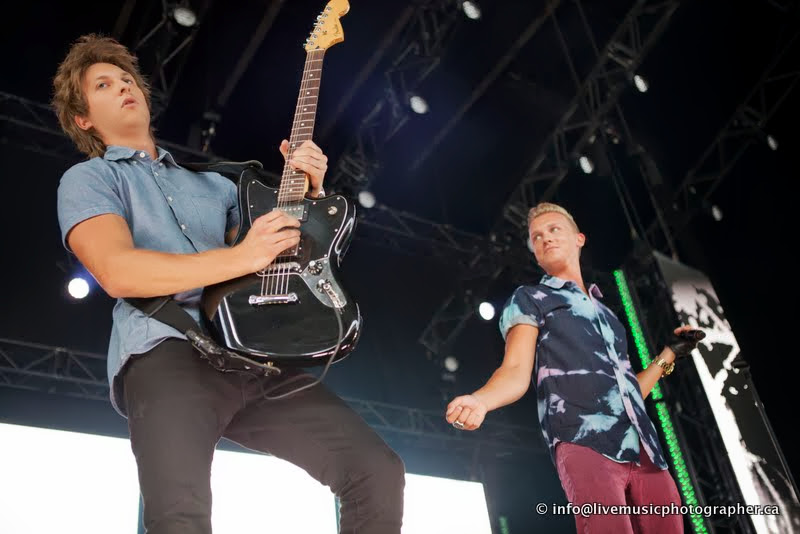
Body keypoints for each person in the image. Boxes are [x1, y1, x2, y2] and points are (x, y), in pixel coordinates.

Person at [53, 34, 404, 534]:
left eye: (127, 79)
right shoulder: (89, 180)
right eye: (104, 85)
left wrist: (311, 192)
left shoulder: (219, 184)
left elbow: (283, 252)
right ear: (83, 119)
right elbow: (117, 271)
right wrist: (241, 254)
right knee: (180, 519)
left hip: (250, 353)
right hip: (165, 353)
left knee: (376, 470)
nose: (124, 87)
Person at [445, 202, 695, 533]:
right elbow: (516, 370)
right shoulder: (531, 298)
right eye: (536, 237)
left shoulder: (609, 316)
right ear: (535, 254)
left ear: (579, 239)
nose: (545, 238)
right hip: (585, 442)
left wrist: (669, 354)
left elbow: (629, 394)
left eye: (554, 230)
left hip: (647, 453)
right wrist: (481, 400)